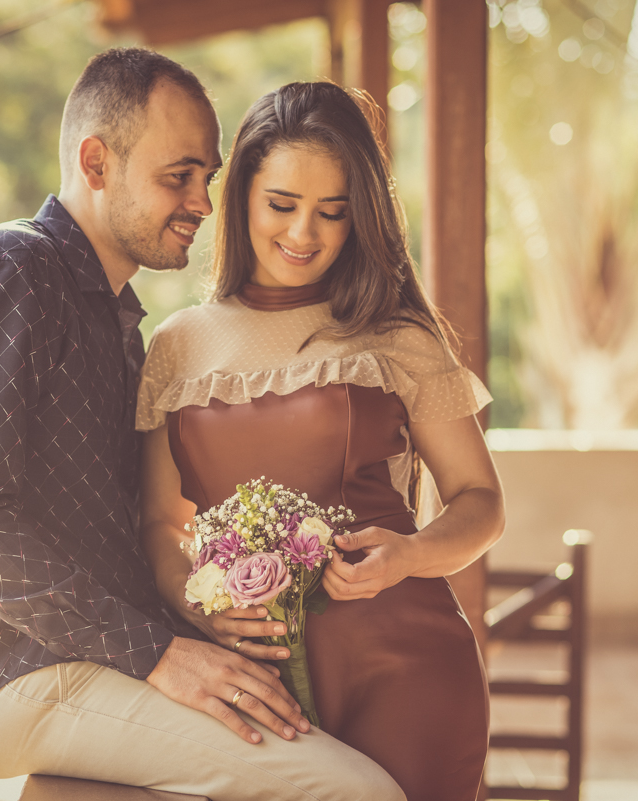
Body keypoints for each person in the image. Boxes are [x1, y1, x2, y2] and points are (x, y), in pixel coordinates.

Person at [0, 49, 404, 801]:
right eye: (179, 176)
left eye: (207, 175)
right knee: (355, 791)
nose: (204, 201)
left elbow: (139, 524)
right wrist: (160, 652)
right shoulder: (5, 272)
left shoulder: (118, 322)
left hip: (92, 661)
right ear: (96, 163)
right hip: (8, 669)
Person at [138, 82, 505, 801]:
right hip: (248, 683)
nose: (304, 234)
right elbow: (159, 523)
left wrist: (410, 554)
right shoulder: (177, 346)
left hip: (405, 669)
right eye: (282, 205)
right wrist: (196, 600)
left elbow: (481, 502)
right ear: (239, 195)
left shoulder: (397, 337)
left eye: (332, 213)